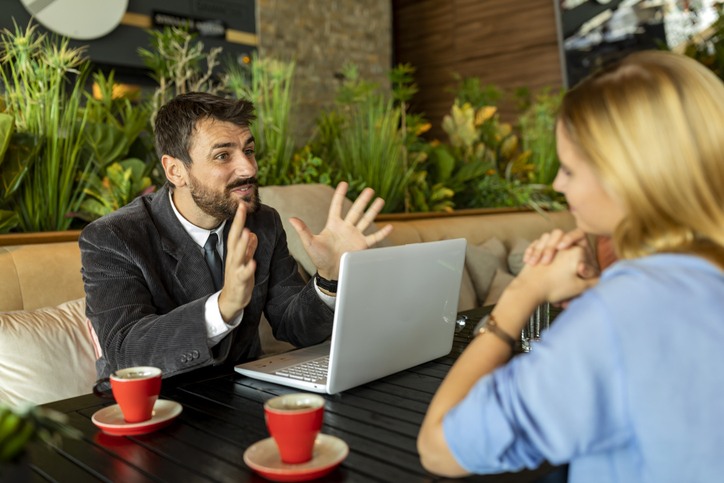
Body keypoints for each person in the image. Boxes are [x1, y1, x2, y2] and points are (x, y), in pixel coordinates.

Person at [417, 50, 724, 482]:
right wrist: (599, 291)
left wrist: (524, 292)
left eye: (568, 169)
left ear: (629, 175)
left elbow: (440, 448)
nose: (559, 184)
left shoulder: (621, 314)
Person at [80, 92, 392, 381]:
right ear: (176, 171)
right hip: (152, 406)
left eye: (249, 151)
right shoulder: (112, 237)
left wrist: (328, 278)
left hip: (240, 392)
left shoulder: (262, 222)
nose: (248, 168)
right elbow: (124, 352)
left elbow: (295, 327)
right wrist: (223, 307)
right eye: (222, 156)